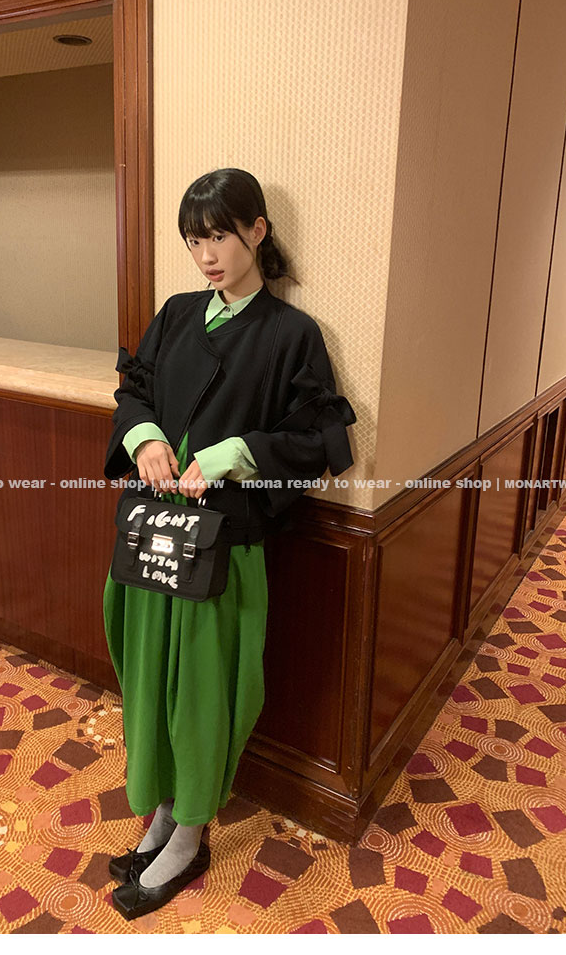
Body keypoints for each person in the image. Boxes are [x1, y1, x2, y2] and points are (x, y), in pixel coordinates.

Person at [102, 168, 356, 921]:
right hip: (153, 534)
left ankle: (190, 832)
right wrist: (144, 437)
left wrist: (233, 454)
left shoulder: (292, 334)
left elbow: (319, 439)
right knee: (148, 678)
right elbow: (134, 390)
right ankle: (162, 809)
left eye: (219, 235)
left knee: (206, 693)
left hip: (223, 545)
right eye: (194, 240)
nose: (206, 255)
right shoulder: (177, 314)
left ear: (257, 231)